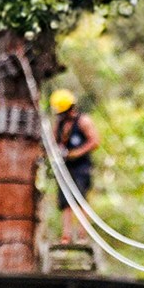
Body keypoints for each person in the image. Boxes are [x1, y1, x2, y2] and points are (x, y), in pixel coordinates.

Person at [49, 89, 100, 245]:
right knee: (66, 202)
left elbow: (95, 141)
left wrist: (77, 153)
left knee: (80, 200)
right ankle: (66, 236)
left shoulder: (83, 121)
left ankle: (82, 235)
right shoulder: (59, 124)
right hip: (65, 169)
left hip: (81, 168)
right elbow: (52, 142)